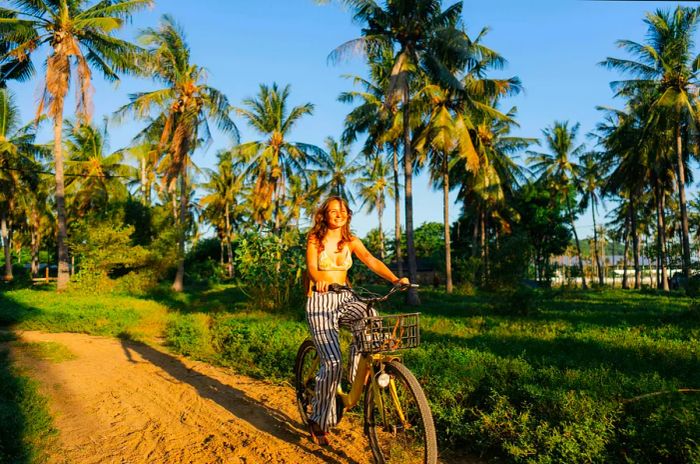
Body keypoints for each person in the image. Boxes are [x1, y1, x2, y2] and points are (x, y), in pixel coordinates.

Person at [304, 196, 409, 445]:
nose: (338, 215)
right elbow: (311, 266)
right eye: (332, 211)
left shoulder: (350, 241)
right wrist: (320, 279)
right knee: (331, 362)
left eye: (342, 211)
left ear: (348, 215)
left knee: (370, 316)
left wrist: (395, 279)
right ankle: (319, 419)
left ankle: (354, 379)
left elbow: (371, 260)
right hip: (320, 300)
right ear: (324, 215)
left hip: (345, 297)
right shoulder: (315, 239)